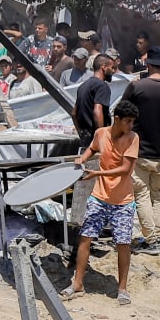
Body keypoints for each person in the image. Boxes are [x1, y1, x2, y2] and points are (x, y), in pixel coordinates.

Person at [63, 99, 141, 304]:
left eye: (133, 122)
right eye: (128, 121)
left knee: (123, 243)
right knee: (86, 237)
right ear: (117, 119)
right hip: (99, 196)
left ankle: (122, 288)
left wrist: (98, 171)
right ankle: (78, 283)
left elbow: (126, 169)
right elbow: (92, 148)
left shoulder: (132, 138)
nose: (131, 126)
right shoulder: (101, 134)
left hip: (123, 200)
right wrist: (82, 158)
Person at [121, 49, 160, 250]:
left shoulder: (136, 86)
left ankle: (152, 240)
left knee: (141, 196)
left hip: (138, 150)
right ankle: (156, 236)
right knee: (156, 196)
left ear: (147, 64)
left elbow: (122, 110)